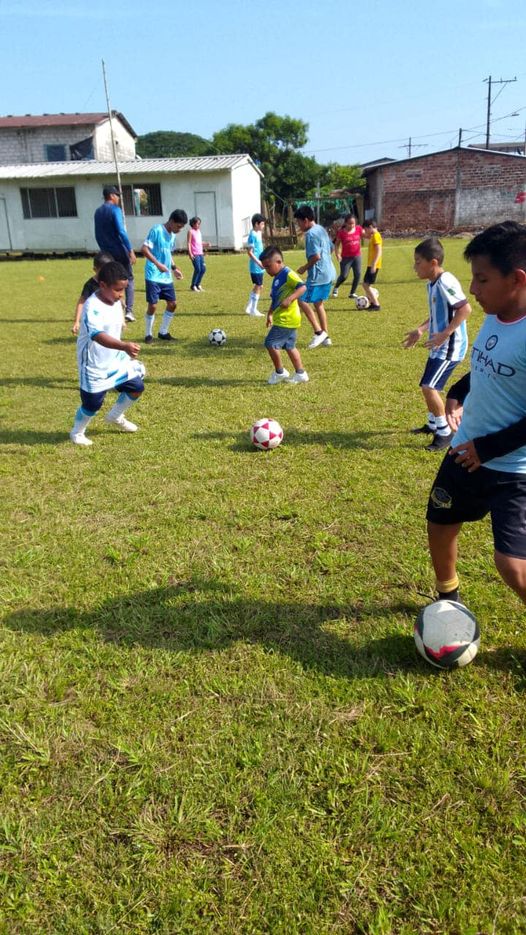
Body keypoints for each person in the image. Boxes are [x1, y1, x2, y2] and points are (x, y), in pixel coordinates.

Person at [426, 220, 526, 607]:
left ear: (516, 279)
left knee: (513, 566)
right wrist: (458, 390)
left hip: (513, 470)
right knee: (441, 521)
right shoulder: (496, 313)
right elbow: (491, 364)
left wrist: (487, 448)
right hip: (465, 452)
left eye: (482, 280)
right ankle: (448, 598)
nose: (472, 289)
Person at [402, 237, 471, 452]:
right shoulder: (432, 284)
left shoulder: (446, 281)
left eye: (418, 262)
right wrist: (421, 330)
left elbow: (465, 309)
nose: (414, 267)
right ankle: (433, 424)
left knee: (429, 387)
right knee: (427, 384)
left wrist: (445, 334)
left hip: (450, 346)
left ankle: (444, 432)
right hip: (439, 345)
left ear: (433, 263)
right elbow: (438, 313)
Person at [69, 261, 145, 447]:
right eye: (118, 290)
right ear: (102, 285)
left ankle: (115, 416)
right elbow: (98, 336)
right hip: (94, 365)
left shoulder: (115, 301)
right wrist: (124, 346)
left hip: (115, 361)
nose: (121, 294)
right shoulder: (92, 306)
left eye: (124, 289)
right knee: (92, 405)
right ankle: (77, 432)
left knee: (136, 387)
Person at [260, 245, 309, 385]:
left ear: (279, 262)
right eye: (265, 268)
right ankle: (301, 373)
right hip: (287, 319)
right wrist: (270, 313)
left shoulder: (288, 274)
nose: (267, 270)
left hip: (286, 319)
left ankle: (280, 372)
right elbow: (275, 299)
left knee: (270, 343)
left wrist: (290, 299)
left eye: (268, 266)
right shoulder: (277, 277)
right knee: (289, 346)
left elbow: (302, 287)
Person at [141, 209, 188, 343]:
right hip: (153, 274)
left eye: (182, 227)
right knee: (153, 305)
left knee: (172, 304)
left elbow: (168, 254)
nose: (179, 230)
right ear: (171, 221)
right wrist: (157, 264)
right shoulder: (156, 230)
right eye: (178, 226)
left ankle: (163, 332)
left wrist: (174, 268)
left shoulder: (172, 235)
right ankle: (148, 334)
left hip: (166, 276)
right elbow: (144, 249)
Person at [293, 205, 336, 349]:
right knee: (318, 304)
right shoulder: (321, 229)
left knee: (300, 299)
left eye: (299, 222)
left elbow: (316, 256)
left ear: (305, 220)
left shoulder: (311, 234)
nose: (298, 225)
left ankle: (319, 332)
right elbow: (331, 248)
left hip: (318, 275)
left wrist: (304, 268)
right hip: (329, 273)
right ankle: (326, 337)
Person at [93, 186, 137, 322]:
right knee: (128, 279)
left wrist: (103, 250)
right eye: (117, 195)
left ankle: (108, 307)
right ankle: (129, 311)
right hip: (119, 251)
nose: (118, 198)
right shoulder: (115, 210)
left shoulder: (98, 212)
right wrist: (130, 250)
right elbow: (121, 231)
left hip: (106, 254)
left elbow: (97, 234)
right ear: (112, 196)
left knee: (108, 280)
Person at [71, 251, 113, 334]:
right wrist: (77, 321)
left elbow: (118, 301)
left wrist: (122, 320)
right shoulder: (90, 285)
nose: (106, 274)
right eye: (103, 271)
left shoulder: (111, 282)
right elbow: (81, 303)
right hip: (93, 317)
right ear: (95, 269)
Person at [332, 214, 363, 298]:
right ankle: (336, 287)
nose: (352, 225)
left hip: (357, 256)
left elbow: (366, 234)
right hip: (346, 258)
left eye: (353, 223)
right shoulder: (341, 232)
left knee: (358, 274)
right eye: (350, 223)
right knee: (344, 276)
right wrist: (337, 254)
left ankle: (352, 293)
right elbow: (337, 244)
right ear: (345, 223)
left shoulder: (358, 229)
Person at [245, 213, 266, 317]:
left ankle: (249, 307)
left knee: (259, 286)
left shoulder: (258, 233)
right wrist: (258, 262)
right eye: (262, 224)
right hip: (256, 266)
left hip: (260, 265)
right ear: (256, 224)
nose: (263, 226)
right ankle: (253, 309)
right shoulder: (252, 235)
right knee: (258, 286)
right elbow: (249, 252)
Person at [361, 219, 383, 310]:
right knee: (366, 284)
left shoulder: (376, 236)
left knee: (365, 285)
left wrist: (374, 264)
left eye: (366, 230)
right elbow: (365, 236)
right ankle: (372, 303)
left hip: (373, 265)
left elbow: (379, 251)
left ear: (370, 227)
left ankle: (376, 304)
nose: (365, 232)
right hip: (371, 264)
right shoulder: (373, 236)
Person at [187, 216, 211, 292]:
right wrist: (190, 253)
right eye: (197, 224)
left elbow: (199, 242)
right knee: (197, 269)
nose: (199, 225)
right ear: (193, 224)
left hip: (200, 253)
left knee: (203, 269)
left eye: (199, 224)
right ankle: (193, 285)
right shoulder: (190, 232)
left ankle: (198, 284)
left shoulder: (199, 231)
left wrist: (206, 244)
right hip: (195, 254)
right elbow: (189, 243)